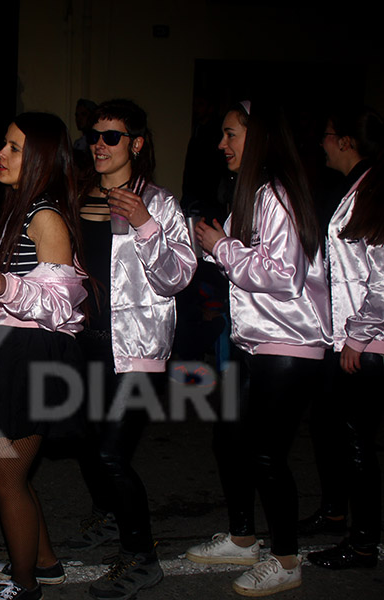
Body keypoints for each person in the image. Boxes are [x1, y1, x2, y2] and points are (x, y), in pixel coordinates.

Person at [190, 100, 332, 596]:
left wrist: (220, 246)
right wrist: (211, 244)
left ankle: (287, 560)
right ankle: (243, 536)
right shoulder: (255, 194)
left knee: (266, 455)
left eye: (231, 134)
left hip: (290, 344)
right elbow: (246, 266)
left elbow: (281, 273)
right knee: (230, 438)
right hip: (262, 342)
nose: (222, 144)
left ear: (261, 137)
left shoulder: (275, 193)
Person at [74, 99, 196, 600]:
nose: (99, 145)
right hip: (85, 346)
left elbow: (177, 278)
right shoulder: (78, 197)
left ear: (136, 144)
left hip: (137, 351)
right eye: (94, 136)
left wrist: (146, 224)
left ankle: (142, 555)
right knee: (86, 443)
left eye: (112, 136)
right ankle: (110, 515)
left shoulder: (159, 203)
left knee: (110, 453)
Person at [0, 112, 88, 600]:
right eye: (4, 144)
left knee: (6, 473)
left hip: (36, 353)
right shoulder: (17, 209)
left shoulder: (46, 216)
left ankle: (25, 586)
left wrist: (5, 285)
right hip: (7, 348)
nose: (2, 153)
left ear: (39, 158)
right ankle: (44, 561)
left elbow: (61, 304)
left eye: (14, 148)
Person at [300, 105, 384, 538]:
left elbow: (383, 279)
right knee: (326, 426)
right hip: (347, 338)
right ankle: (334, 512)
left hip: (365, 344)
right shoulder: (355, 186)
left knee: (355, 442)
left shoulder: (374, 191)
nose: (323, 143)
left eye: (329, 134)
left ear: (347, 141)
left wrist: (357, 336)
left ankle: (365, 540)